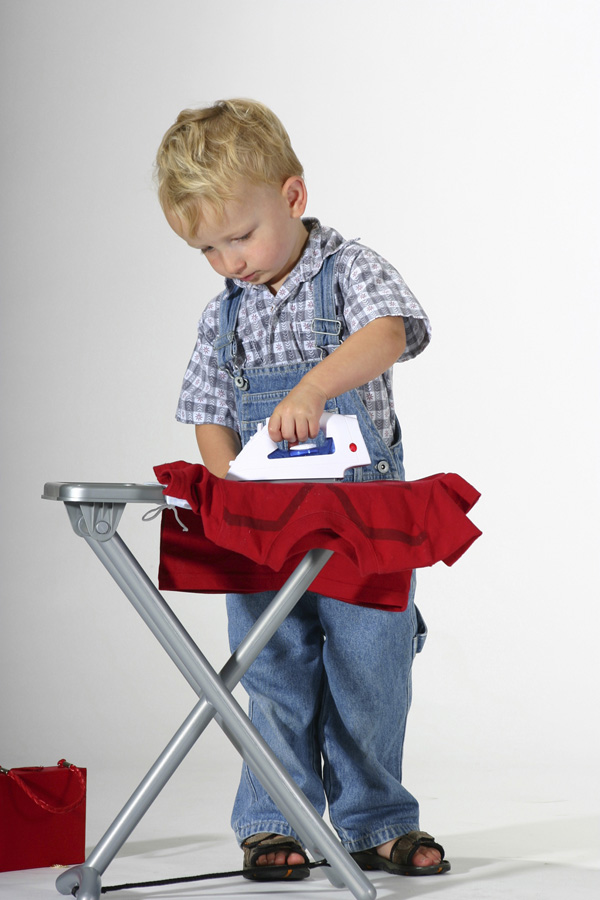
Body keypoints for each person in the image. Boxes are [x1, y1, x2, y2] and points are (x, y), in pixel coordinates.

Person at [155, 98, 450, 881]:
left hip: (365, 521)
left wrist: (316, 387)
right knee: (273, 669)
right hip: (269, 530)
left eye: (240, 236)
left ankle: (376, 821)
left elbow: (392, 332)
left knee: (371, 673)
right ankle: (273, 819)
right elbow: (208, 415)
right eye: (208, 250)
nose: (230, 262)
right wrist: (227, 488)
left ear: (293, 196)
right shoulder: (224, 318)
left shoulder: (349, 270)